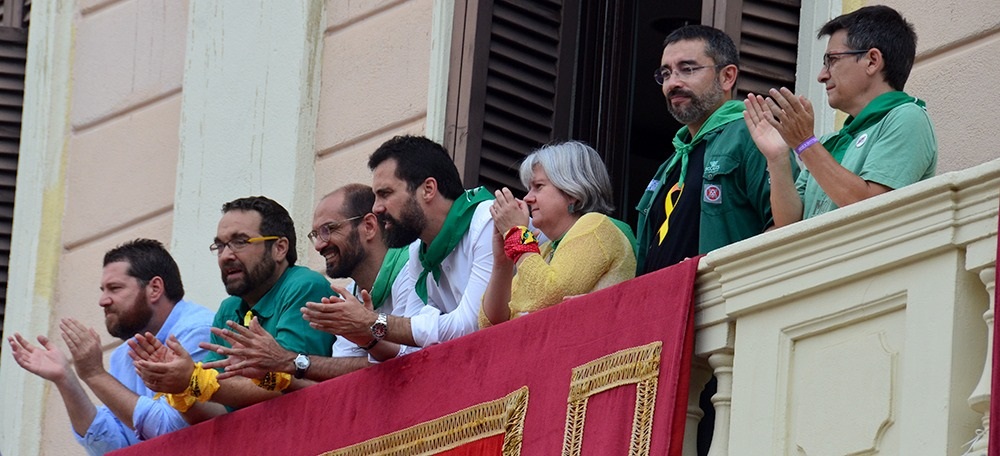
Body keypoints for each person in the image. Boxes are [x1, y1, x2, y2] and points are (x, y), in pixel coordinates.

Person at [129, 196, 335, 422]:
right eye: (220, 245)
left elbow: (285, 386)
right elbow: (217, 413)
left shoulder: (304, 286)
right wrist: (182, 390)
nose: (226, 255)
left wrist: (195, 382)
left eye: (240, 242)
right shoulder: (229, 309)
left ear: (279, 248)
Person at [7, 239, 214, 455]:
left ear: (154, 288)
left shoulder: (198, 332)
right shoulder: (123, 354)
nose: (103, 300)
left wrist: (95, 374)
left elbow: (173, 432)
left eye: (114, 288)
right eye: (103, 290)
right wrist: (66, 379)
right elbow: (113, 447)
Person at [200, 184, 419, 386]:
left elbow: (414, 358)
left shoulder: (413, 265)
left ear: (369, 226)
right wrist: (190, 387)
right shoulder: (347, 297)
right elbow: (348, 371)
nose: (319, 246)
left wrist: (286, 364)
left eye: (328, 229)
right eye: (316, 235)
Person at [743, 5, 937, 225]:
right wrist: (778, 158)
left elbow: (872, 210)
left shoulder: (908, 118)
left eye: (832, 60)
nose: (822, 75)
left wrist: (805, 143)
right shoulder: (828, 143)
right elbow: (788, 225)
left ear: (872, 61)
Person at [301, 135, 494, 350]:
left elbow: (473, 323)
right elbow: (412, 350)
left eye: (385, 194)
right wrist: (366, 335)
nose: (376, 208)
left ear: (428, 189)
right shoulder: (418, 252)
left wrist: (370, 322)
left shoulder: (486, 220)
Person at [636, 25, 777, 275]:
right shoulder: (670, 163)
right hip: (662, 307)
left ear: (727, 77)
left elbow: (785, 225)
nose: (673, 83)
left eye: (687, 69)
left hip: (720, 306)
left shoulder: (751, 135)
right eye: (666, 73)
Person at [479, 141, 636, 326]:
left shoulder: (597, 226)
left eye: (538, 186)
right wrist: (502, 263)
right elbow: (490, 321)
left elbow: (549, 295)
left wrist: (517, 235)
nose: (528, 198)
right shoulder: (545, 249)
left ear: (572, 192)